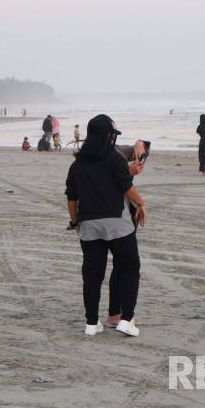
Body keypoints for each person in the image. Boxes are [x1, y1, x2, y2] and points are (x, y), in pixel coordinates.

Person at [65, 115, 146, 337]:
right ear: (108, 136)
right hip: (117, 222)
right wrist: (141, 203)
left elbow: (72, 197)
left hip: (89, 224)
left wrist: (75, 222)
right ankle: (125, 320)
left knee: (92, 274)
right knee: (130, 268)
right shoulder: (114, 159)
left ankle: (92, 323)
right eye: (113, 135)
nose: (114, 139)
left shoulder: (77, 164)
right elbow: (125, 185)